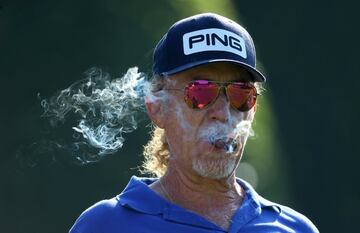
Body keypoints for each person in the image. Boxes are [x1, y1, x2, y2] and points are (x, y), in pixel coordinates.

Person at [69, 13, 319, 233]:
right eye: (201, 92)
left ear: (253, 109)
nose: (222, 113)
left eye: (240, 93)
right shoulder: (106, 225)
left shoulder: (294, 228)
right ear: (157, 108)